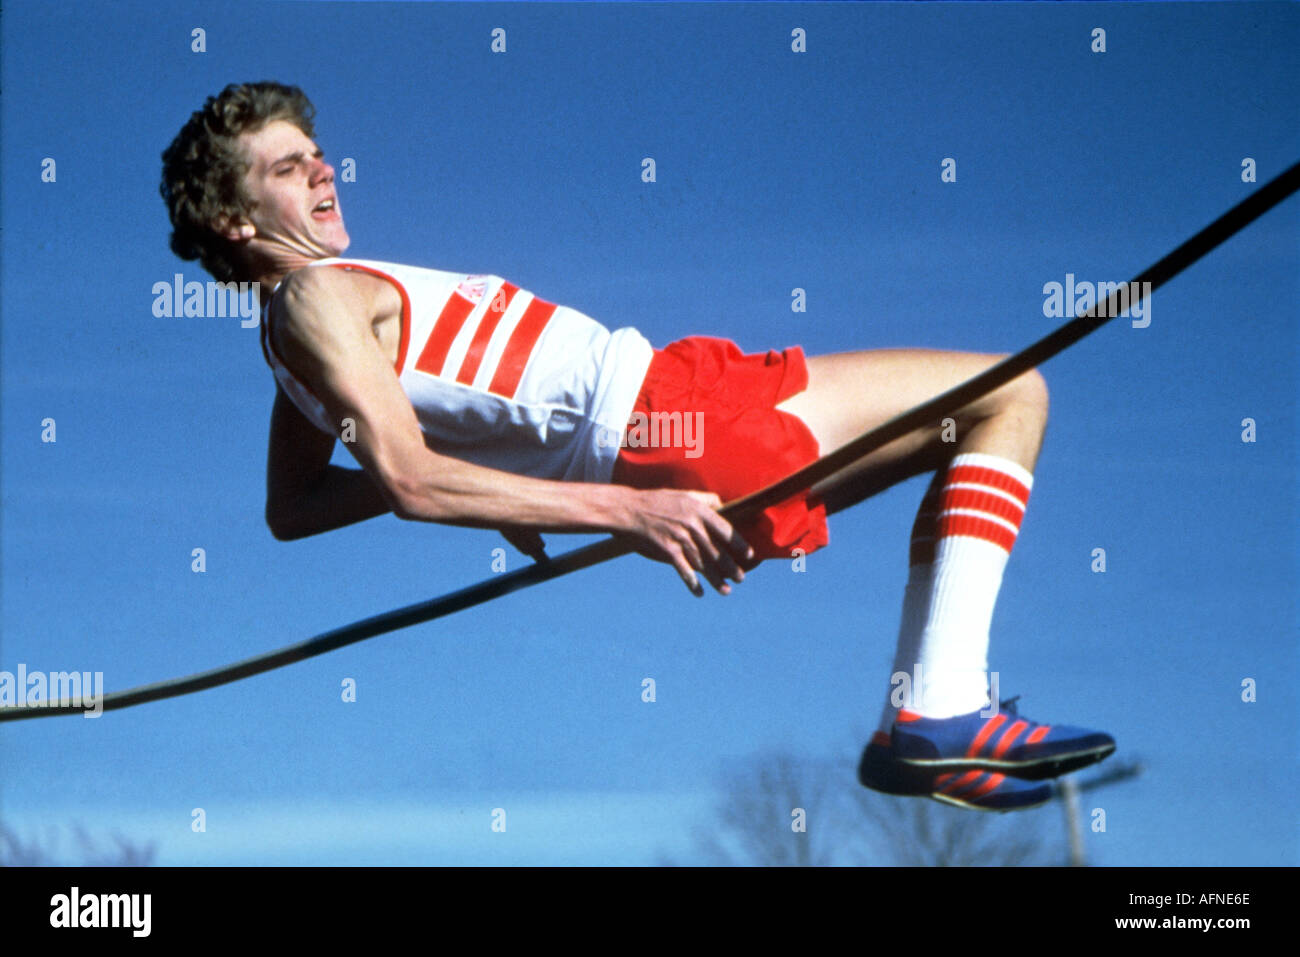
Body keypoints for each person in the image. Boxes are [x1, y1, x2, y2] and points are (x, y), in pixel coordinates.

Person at [161, 82, 1115, 812]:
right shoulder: (310, 299)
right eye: (288, 169)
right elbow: (407, 477)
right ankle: (935, 711)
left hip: (671, 426)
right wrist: (626, 509)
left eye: (320, 156)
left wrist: (501, 481)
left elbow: (297, 507)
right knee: (1009, 393)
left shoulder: (294, 358)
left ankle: (932, 717)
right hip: (678, 417)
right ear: (235, 222)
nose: (325, 171)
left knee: (969, 422)